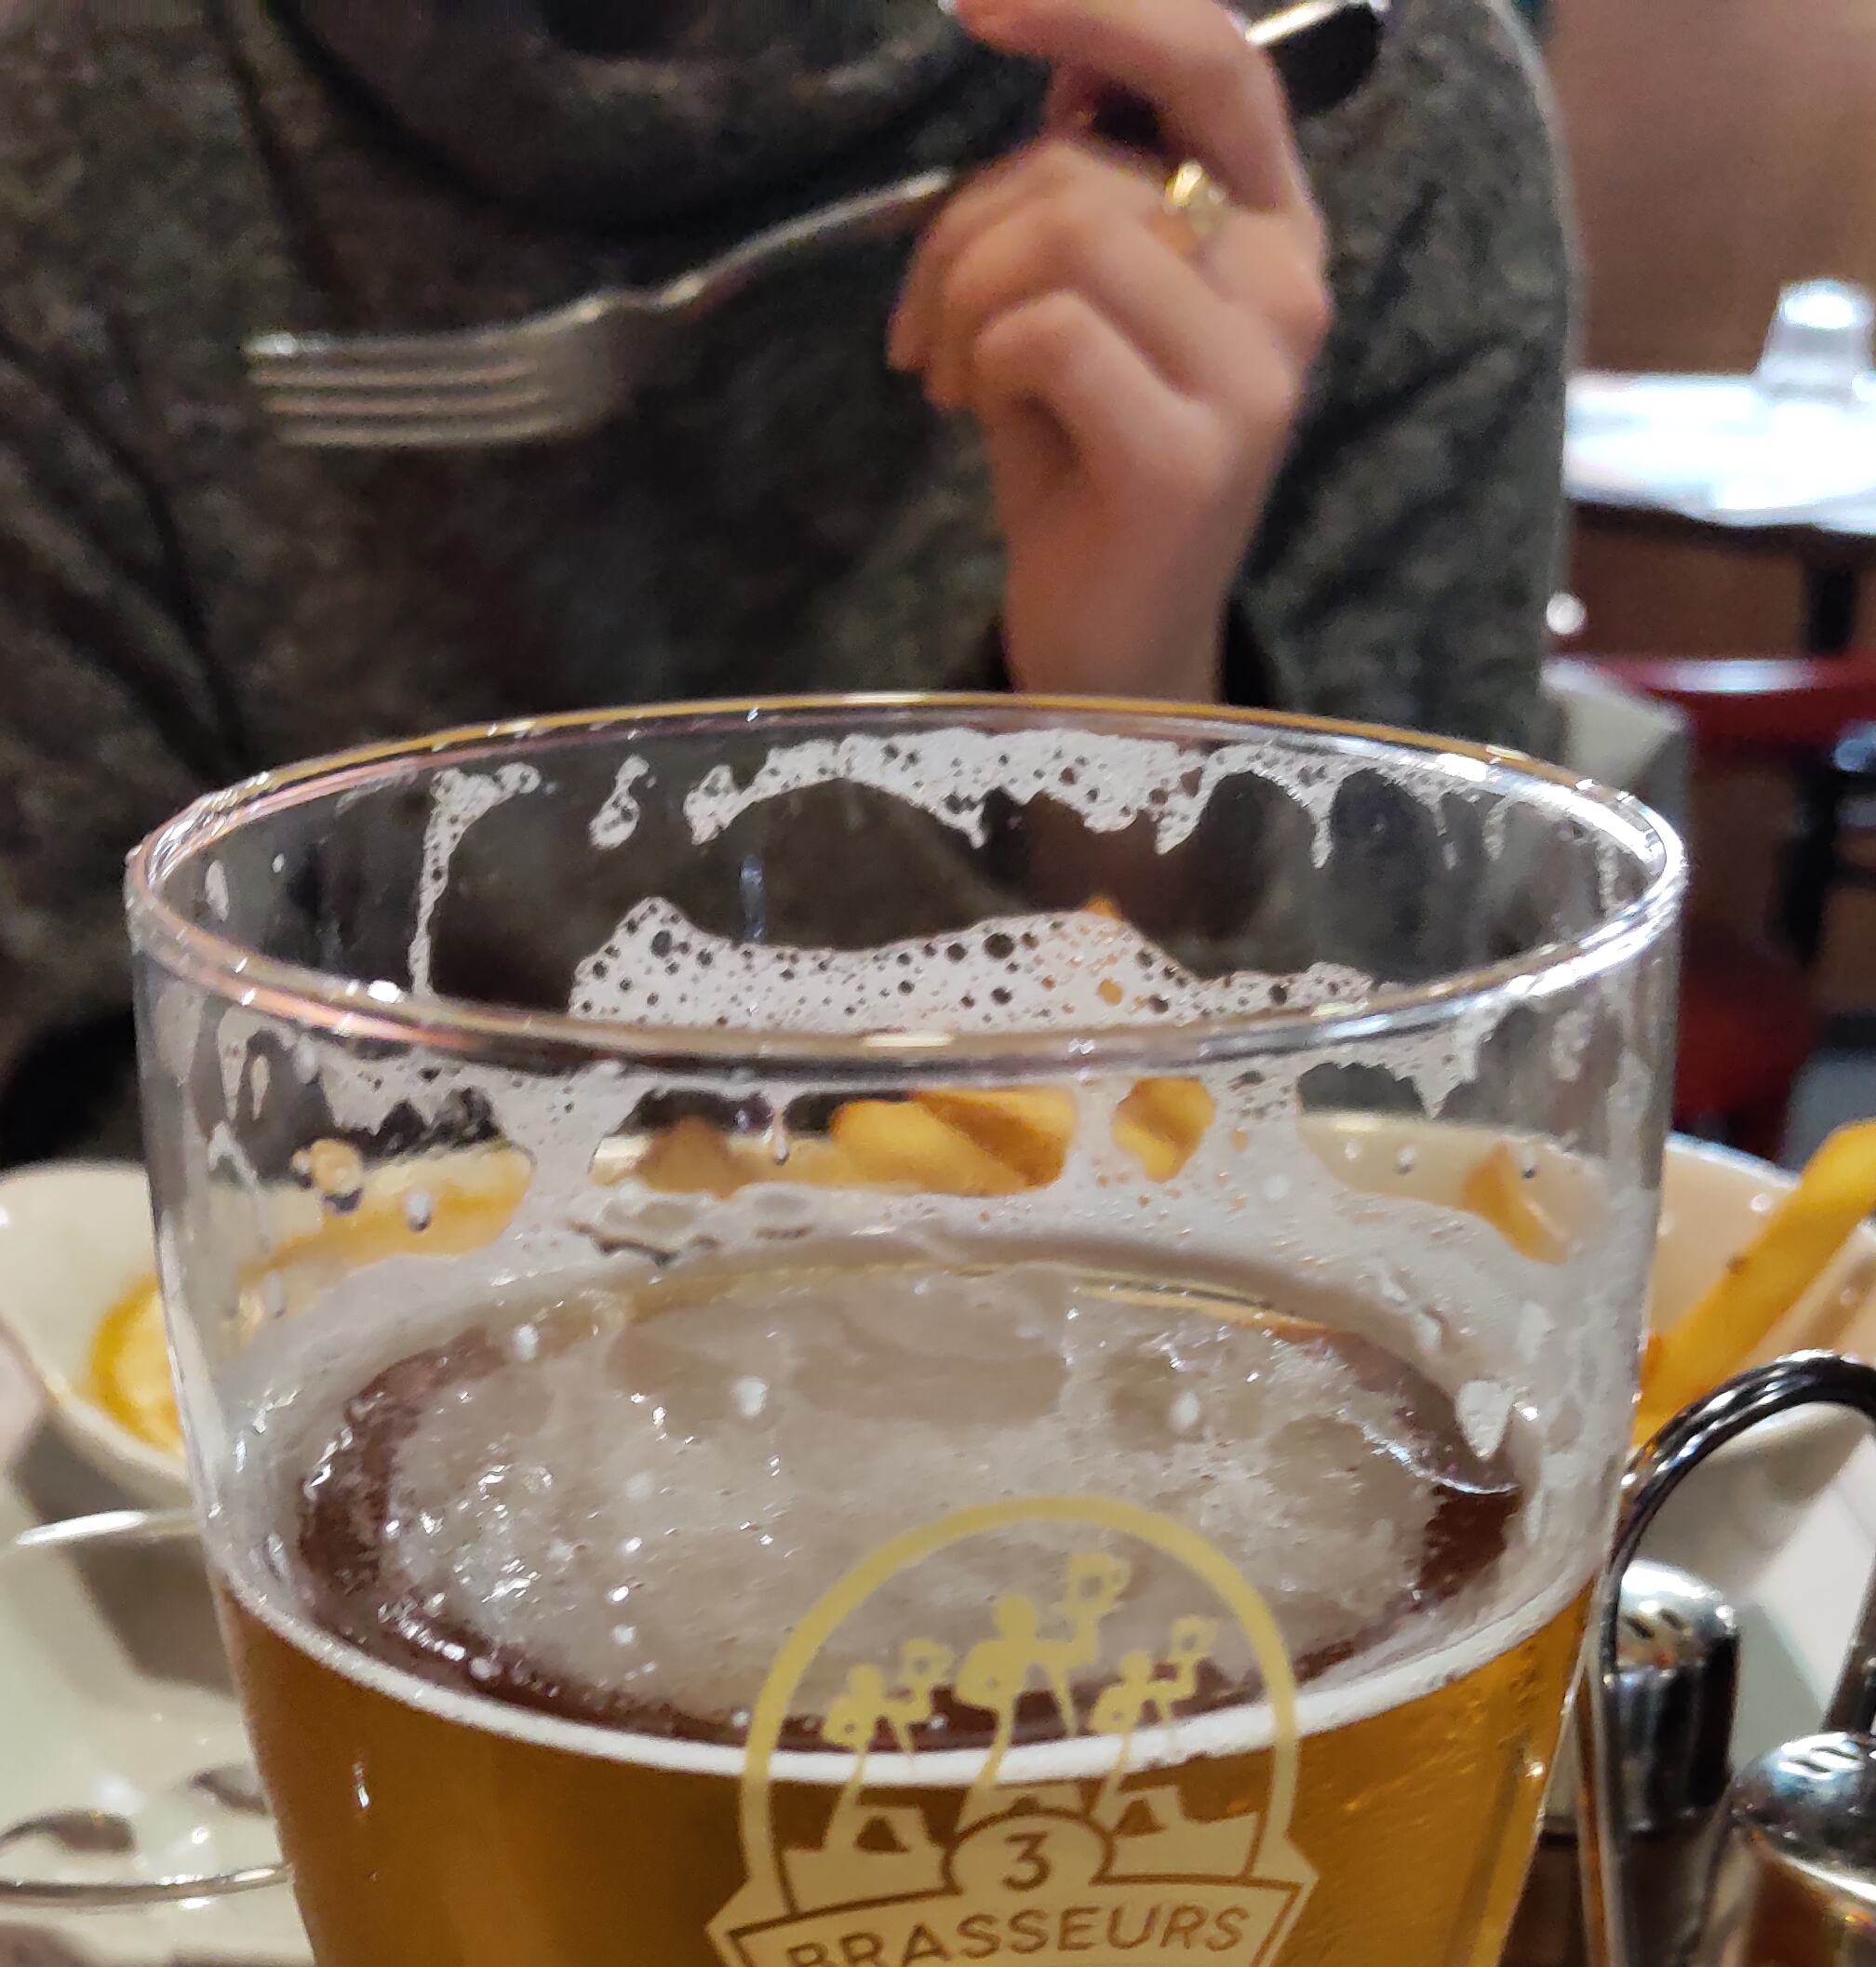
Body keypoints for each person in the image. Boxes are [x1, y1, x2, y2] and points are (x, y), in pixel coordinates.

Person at [0, 0, 1570, 1163]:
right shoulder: (84, 119)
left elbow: (1447, 1177)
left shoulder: (1340, 99)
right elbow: (78, 1150)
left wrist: (1132, 721)